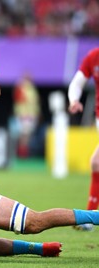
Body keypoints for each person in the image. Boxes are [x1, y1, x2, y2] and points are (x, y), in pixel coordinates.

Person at [68, 47, 99, 231]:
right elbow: (77, 83)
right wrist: (74, 100)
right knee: (96, 163)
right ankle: (89, 218)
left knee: (96, 162)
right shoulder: (94, 57)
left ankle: (89, 218)